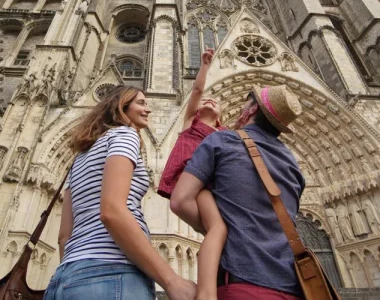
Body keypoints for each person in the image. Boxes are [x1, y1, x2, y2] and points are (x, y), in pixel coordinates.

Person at [44, 85, 196, 300]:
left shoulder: (80, 157)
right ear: (121, 107)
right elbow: (112, 211)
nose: (148, 109)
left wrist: (77, 276)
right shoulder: (124, 135)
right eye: (141, 103)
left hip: (65, 276)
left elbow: (64, 237)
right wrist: (171, 280)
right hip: (113, 271)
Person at [171, 84, 305, 300]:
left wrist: (218, 228)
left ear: (251, 110)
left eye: (245, 102)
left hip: (243, 284)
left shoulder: (222, 140)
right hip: (294, 286)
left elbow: (180, 201)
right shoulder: (293, 165)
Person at [158, 48, 228, 300]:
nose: (211, 101)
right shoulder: (191, 122)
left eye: (216, 102)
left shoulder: (224, 134)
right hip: (192, 182)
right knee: (218, 230)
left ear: (221, 118)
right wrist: (205, 66)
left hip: (212, 186)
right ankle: (207, 294)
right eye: (206, 102)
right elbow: (197, 92)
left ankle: (218, 284)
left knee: (217, 235)